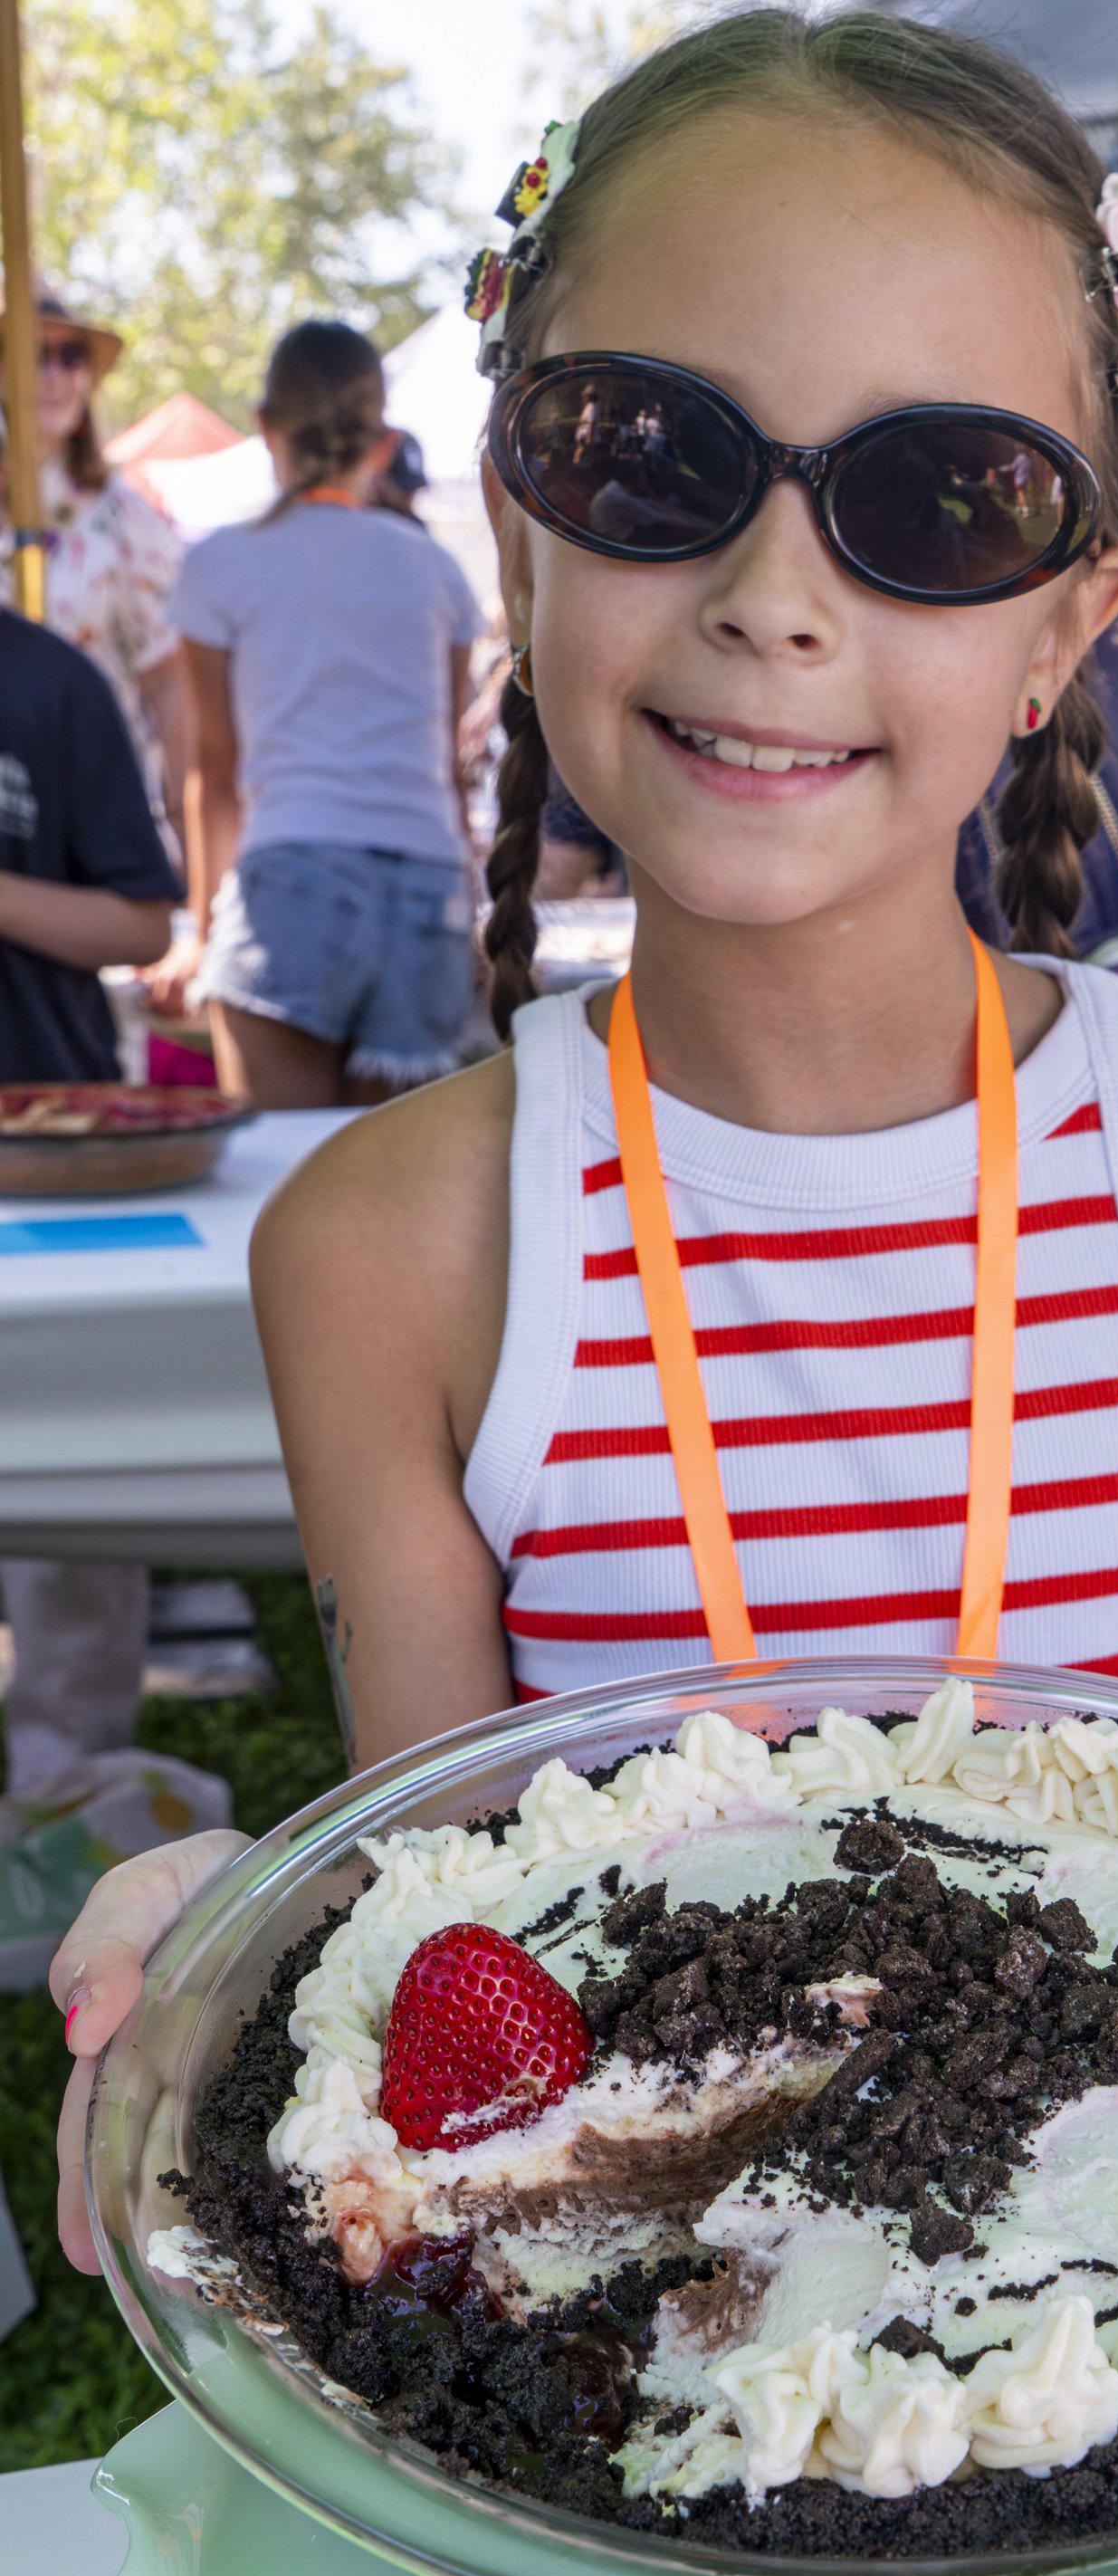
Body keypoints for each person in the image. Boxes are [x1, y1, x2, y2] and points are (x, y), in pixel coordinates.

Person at [46, 6, 1118, 2270]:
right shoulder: (394, 1248)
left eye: (935, 499)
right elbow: (446, 1940)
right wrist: (256, 1951)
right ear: (515, 518)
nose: (775, 589)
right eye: (648, 456)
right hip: (632, 2362)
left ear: (1065, 624)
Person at [153, 322, 485, 1106]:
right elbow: (443, 768)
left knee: (282, 1182)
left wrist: (201, 937)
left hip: (292, 882)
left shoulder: (220, 565)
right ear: (383, 438)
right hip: (425, 894)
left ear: (267, 426)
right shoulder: (437, 572)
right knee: (385, 1197)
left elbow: (216, 772)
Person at [0, 608, 182, 1797]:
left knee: (63, 1482)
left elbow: (141, 919)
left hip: (43, 1141)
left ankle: (63, 1789)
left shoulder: (49, 682)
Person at [0, 289, 194, 851]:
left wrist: (187, 821)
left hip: (86, 814)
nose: (57, 374)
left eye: (72, 357)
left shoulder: (121, 517)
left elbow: (169, 683)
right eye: (35, 353)